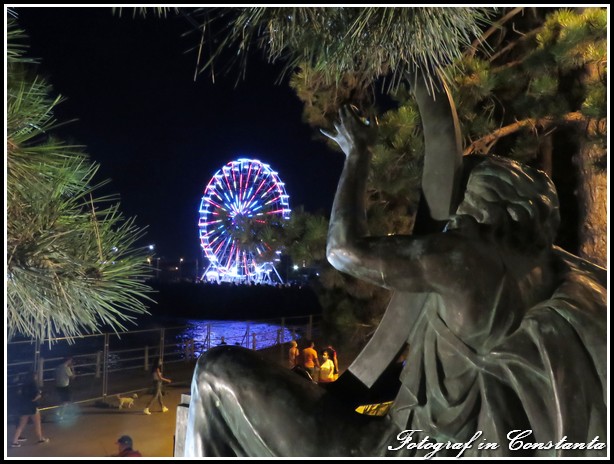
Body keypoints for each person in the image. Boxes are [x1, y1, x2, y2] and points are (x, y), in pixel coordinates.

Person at [184, 105, 606, 457]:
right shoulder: (568, 277)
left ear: (484, 204)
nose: (453, 219)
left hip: (399, 446)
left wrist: (358, 153)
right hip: (458, 443)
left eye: (461, 202)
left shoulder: (470, 256)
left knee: (215, 371)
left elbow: (343, 251)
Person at [10, 371, 50, 447]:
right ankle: (40, 438)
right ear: (34, 377)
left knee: (21, 425)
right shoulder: (33, 385)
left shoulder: (24, 385)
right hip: (32, 407)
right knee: (37, 423)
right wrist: (39, 395)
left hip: (24, 407)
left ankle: (14, 441)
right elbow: (34, 397)